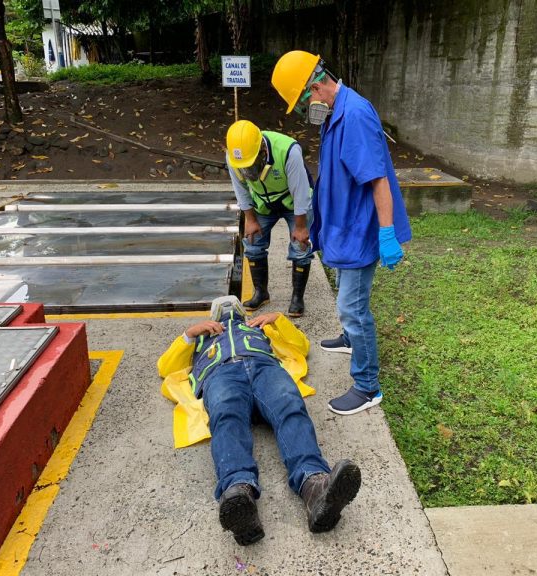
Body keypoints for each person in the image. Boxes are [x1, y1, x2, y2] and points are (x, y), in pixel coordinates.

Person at [271, 51, 412, 416]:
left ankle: (367, 386)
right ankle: (351, 339)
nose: (306, 112)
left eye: (304, 103)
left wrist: (386, 232)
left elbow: (377, 178)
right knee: (349, 301)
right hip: (342, 226)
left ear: (315, 87)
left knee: (353, 306)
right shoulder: (334, 113)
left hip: (360, 229)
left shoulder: (355, 116)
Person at [157, 295, 361, 546]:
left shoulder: (259, 329)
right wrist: (188, 335)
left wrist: (278, 321)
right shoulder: (200, 340)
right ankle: (238, 496)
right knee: (226, 416)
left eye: (234, 306)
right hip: (221, 374)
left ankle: (315, 486)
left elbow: (301, 347)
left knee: (290, 406)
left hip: (265, 367)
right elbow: (165, 367)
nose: (228, 310)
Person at [225, 120, 315, 317]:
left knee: (300, 247)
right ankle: (261, 292)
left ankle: (297, 298)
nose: (247, 170)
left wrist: (300, 227)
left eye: (251, 164)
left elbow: (300, 192)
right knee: (253, 242)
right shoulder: (234, 157)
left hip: (294, 203)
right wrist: (250, 218)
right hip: (263, 203)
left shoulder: (289, 151)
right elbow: (240, 190)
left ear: (262, 150)